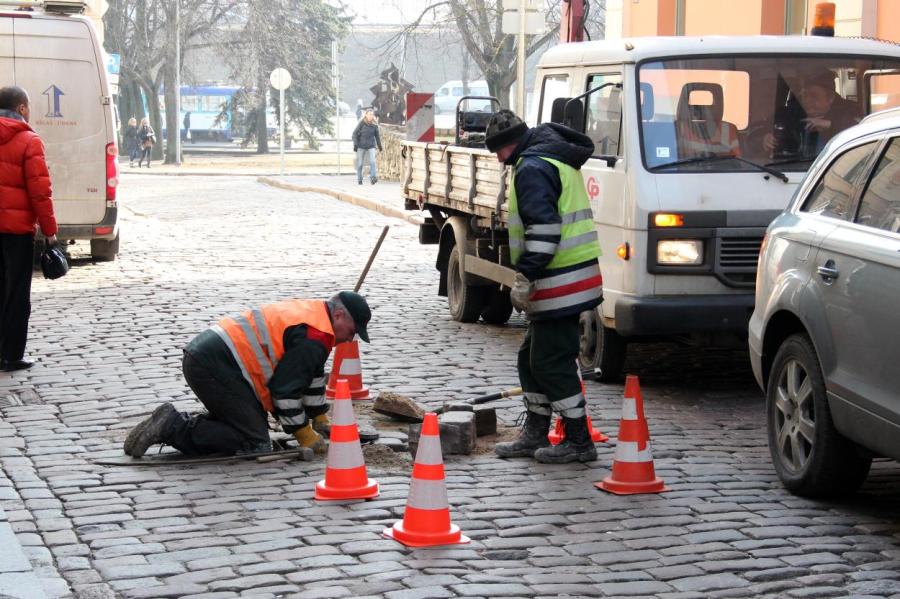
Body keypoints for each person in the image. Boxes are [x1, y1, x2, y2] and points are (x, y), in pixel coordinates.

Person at [485, 110, 603, 464]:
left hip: (560, 282)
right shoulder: (548, 157)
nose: (497, 159)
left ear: (508, 146)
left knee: (550, 361)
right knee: (530, 358)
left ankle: (579, 440)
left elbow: (545, 230)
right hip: (568, 279)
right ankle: (535, 430)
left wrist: (525, 276)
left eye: (497, 151)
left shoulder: (533, 168)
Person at [123, 291, 372, 458]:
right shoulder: (314, 337)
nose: (350, 339)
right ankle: (171, 426)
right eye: (352, 331)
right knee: (254, 444)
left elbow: (310, 376)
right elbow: (284, 391)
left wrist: (319, 417)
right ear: (338, 316)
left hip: (214, 357)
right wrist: (304, 434)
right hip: (214, 365)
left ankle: (206, 421)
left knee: (249, 427)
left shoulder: (317, 319)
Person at [0, 86, 58, 372]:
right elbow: (39, 191)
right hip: (16, 231)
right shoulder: (28, 141)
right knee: (16, 293)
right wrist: (50, 230)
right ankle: (10, 355)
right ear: (22, 108)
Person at [765, 69, 860, 158]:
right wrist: (764, 137)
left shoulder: (848, 112)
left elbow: (861, 132)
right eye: (805, 95)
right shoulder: (791, 113)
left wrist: (831, 125)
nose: (807, 100)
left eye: (814, 96)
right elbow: (760, 127)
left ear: (830, 98)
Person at [352, 109, 382, 185]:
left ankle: (373, 177)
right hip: (361, 145)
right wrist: (355, 144)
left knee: (372, 161)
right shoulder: (361, 123)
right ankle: (359, 178)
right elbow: (354, 134)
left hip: (371, 145)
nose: (371, 116)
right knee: (360, 164)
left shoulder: (374, 125)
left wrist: (379, 146)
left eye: (372, 114)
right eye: (369, 114)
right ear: (366, 115)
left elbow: (377, 137)